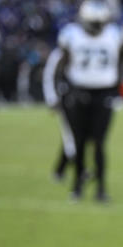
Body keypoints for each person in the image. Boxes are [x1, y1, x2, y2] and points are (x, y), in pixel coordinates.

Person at [47, 0, 123, 202]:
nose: (96, 27)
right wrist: (58, 91)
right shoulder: (71, 34)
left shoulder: (115, 34)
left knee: (99, 142)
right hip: (78, 91)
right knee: (79, 142)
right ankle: (77, 186)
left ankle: (101, 188)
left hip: (104, 93)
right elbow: (59, 64)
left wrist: (118, 86)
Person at [42, 46, 76, 182]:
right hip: (66, 99)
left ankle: (60, 171)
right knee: (70, 136)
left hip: (81, 99)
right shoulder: (58, 54)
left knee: (77, 136)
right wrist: (51, 98)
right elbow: (49, 75)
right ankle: (77, 169)